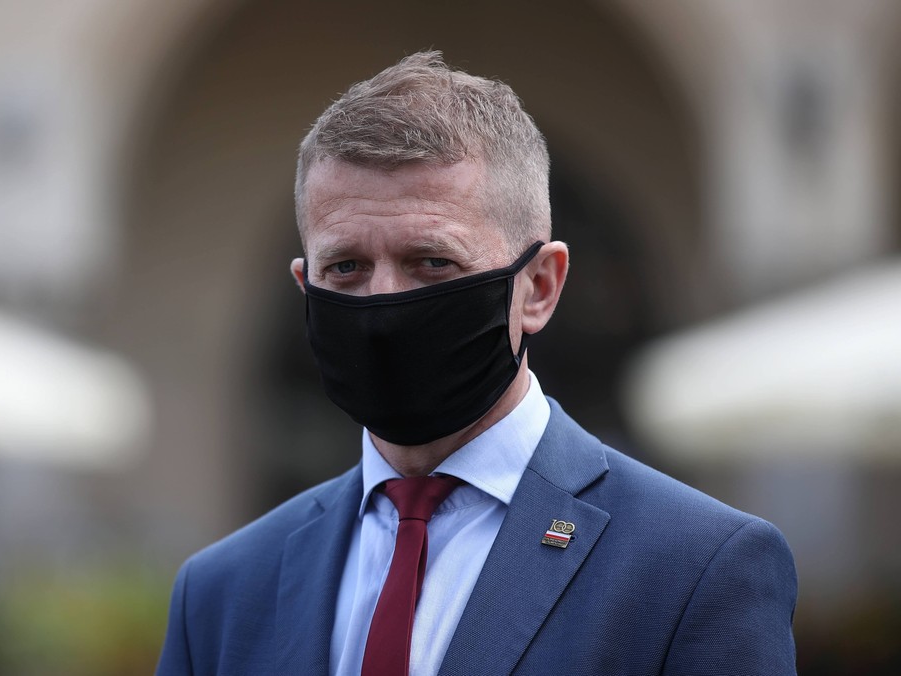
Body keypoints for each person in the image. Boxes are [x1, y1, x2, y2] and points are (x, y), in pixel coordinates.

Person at [157, 51, 797, 676]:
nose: (383, 303)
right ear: (306, 286)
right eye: (346, 267)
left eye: (432, 262)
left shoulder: (696, 567)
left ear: (539, 286)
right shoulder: (220, 593)